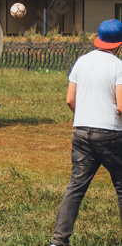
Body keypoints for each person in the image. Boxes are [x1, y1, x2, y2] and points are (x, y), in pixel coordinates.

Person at [50, 19, 122, 246]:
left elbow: (70, 99)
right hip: (110, 134)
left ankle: (58, 241)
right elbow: (121, 106)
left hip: (81, 132)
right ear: (119, 44)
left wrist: (85, 117)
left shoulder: (81, 61)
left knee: (75, 188)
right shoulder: (118, 66)